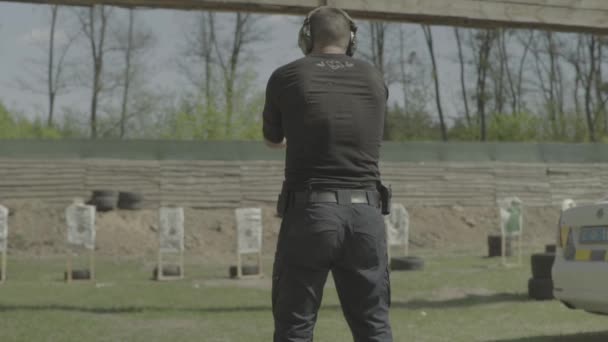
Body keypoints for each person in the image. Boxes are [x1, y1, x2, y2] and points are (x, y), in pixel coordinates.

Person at [263, 5, 392, 342]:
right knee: (374, 327)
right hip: (366, 212)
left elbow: (273, 140)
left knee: (295, 328)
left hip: (310, 213)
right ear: (351, 39)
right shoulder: (374, 77)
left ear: (307, 37)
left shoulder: (285, 77)